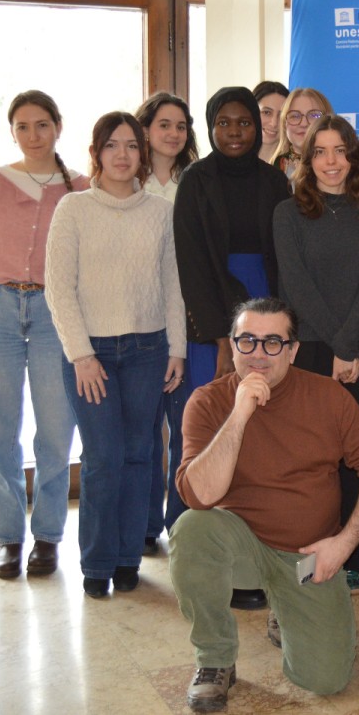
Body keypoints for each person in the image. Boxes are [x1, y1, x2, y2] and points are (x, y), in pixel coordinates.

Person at [169, 297, 359, 711]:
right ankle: (215, 658)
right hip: (239, 547)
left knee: (325, 678)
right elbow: (198, 495)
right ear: (233, 346)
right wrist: (239, 415)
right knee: (191, 531)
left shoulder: (327, 397)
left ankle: (285, 606)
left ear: (292, 351)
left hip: (307, 555)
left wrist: (344, 544)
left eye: (273, 343)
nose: (258, 354)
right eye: (247, 341)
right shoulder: (207, 401)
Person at [0, 89, 86, 579]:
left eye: (42, 124)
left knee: (56, 429)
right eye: (22, 126)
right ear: (12, 132)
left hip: (54, 314)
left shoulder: (79, 187)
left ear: (58, 127)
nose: (33, 135)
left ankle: (47, 536)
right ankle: (7, 537)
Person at [45, 111, 186, 598]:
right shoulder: (73, 209)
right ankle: (97, 562)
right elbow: (59, 289)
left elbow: (173, 285)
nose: (122, 155)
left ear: (142, 154)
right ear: (96, 153)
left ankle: (128, 558)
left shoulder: (160, 212)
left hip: (149, 348)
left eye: (131, 146)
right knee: (103, 458)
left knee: (139, 453)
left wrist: (177, 348)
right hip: (92, 355)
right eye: (111, 145)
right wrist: (81, 355)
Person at [174, 85, 290, 611]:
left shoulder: (274, 180)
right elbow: (192, 262)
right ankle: (215, 560)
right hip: (215, 326)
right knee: (218, 432)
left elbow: (283, 258)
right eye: (224, 123)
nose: (236, 132)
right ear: (210, 127)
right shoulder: (195, 181)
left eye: (244, 122)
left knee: (264, 435)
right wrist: (224, 338)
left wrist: (277, 330)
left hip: (268, 315)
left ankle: (259, 557)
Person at [273, 114, 359, 595]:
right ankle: (305, 555)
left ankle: (349, 558)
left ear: (353, 157)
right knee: (309, 456)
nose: (331, 162)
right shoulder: (288, 214)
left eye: (340, 151)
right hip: (309, 348)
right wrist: (338, 346)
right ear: (307, 159)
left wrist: (349, 345)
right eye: (319, 152)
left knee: (354, 457)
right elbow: (296, 287)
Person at [135, 91, 199, 553]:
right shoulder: (126, 181)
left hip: (186, 319)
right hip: (137, 322)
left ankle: (179, 521)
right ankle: (142, 524)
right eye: (164, 125)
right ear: (145, 129)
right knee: (142, 432)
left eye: (181, 126)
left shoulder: (196, 180)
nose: (174, 134)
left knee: (184, 428)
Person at [270, 87, 333, 181]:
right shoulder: (274, 168)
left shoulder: (341, 166)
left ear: (328, 122)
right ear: (284, 124)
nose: (304, 123)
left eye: (314, 115)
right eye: (295, 116)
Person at [253, 80, 289, 165]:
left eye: (281, 115)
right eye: (266, 112)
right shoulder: (231, 160)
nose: (274, 123)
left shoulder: (297, 168)